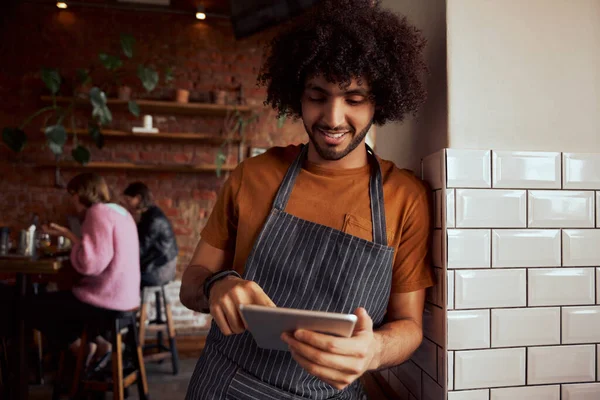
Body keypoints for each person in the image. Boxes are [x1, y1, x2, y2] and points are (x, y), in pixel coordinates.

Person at [179, 0, 434, 398]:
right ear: (296, 94)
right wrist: (216, 285)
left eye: (353, 98)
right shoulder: (254, 176)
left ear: (379, 100)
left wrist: (374, 352)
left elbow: (409, 325)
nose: (333, 118)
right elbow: (190, 283)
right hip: (225, 385)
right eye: (318, 95)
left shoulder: (405, 197)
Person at [32, 172, 140, 366]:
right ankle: (98, 345)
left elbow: (90, 265)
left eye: (72, 193)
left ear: (81, 193)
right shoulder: (120, 212)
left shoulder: (97, 212)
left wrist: (71, 239)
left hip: (106, 301)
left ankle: (81, 347)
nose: (72, 199)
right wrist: (68, 234)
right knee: (62, 302)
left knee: (34, 307)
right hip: (127, 299)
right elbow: (101, 253)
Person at [122, 182, 178, 287]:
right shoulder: (149, 214)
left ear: (138, 198)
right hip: (158, 264)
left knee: (123, 277)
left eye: (128, 200)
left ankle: (130, 303)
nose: (126, 204)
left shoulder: (153, 220)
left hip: (161, 270)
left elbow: (139, 249)